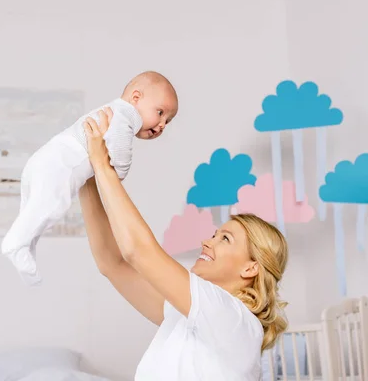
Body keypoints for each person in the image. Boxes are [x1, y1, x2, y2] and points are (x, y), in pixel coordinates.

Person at [79, 107, 289, 380]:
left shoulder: (235, 319)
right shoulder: (188, 315)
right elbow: (112, 264)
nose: (207, 242)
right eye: (215, 234)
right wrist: (87, 179)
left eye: (224, 239)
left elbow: (137, 252)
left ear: (251, 268)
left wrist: (102, 165)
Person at [2, 71, 178, 285]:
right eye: (160, 112)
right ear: (136, 98)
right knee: (50, 206)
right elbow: (120, 151)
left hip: (45, 159)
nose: (161, 125)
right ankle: (14, 244)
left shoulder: (114, 111)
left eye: (167, 121)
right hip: (59, 163)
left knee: (36, 211)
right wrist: (119, 172)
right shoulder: (125, 114)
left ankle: (24, 250)